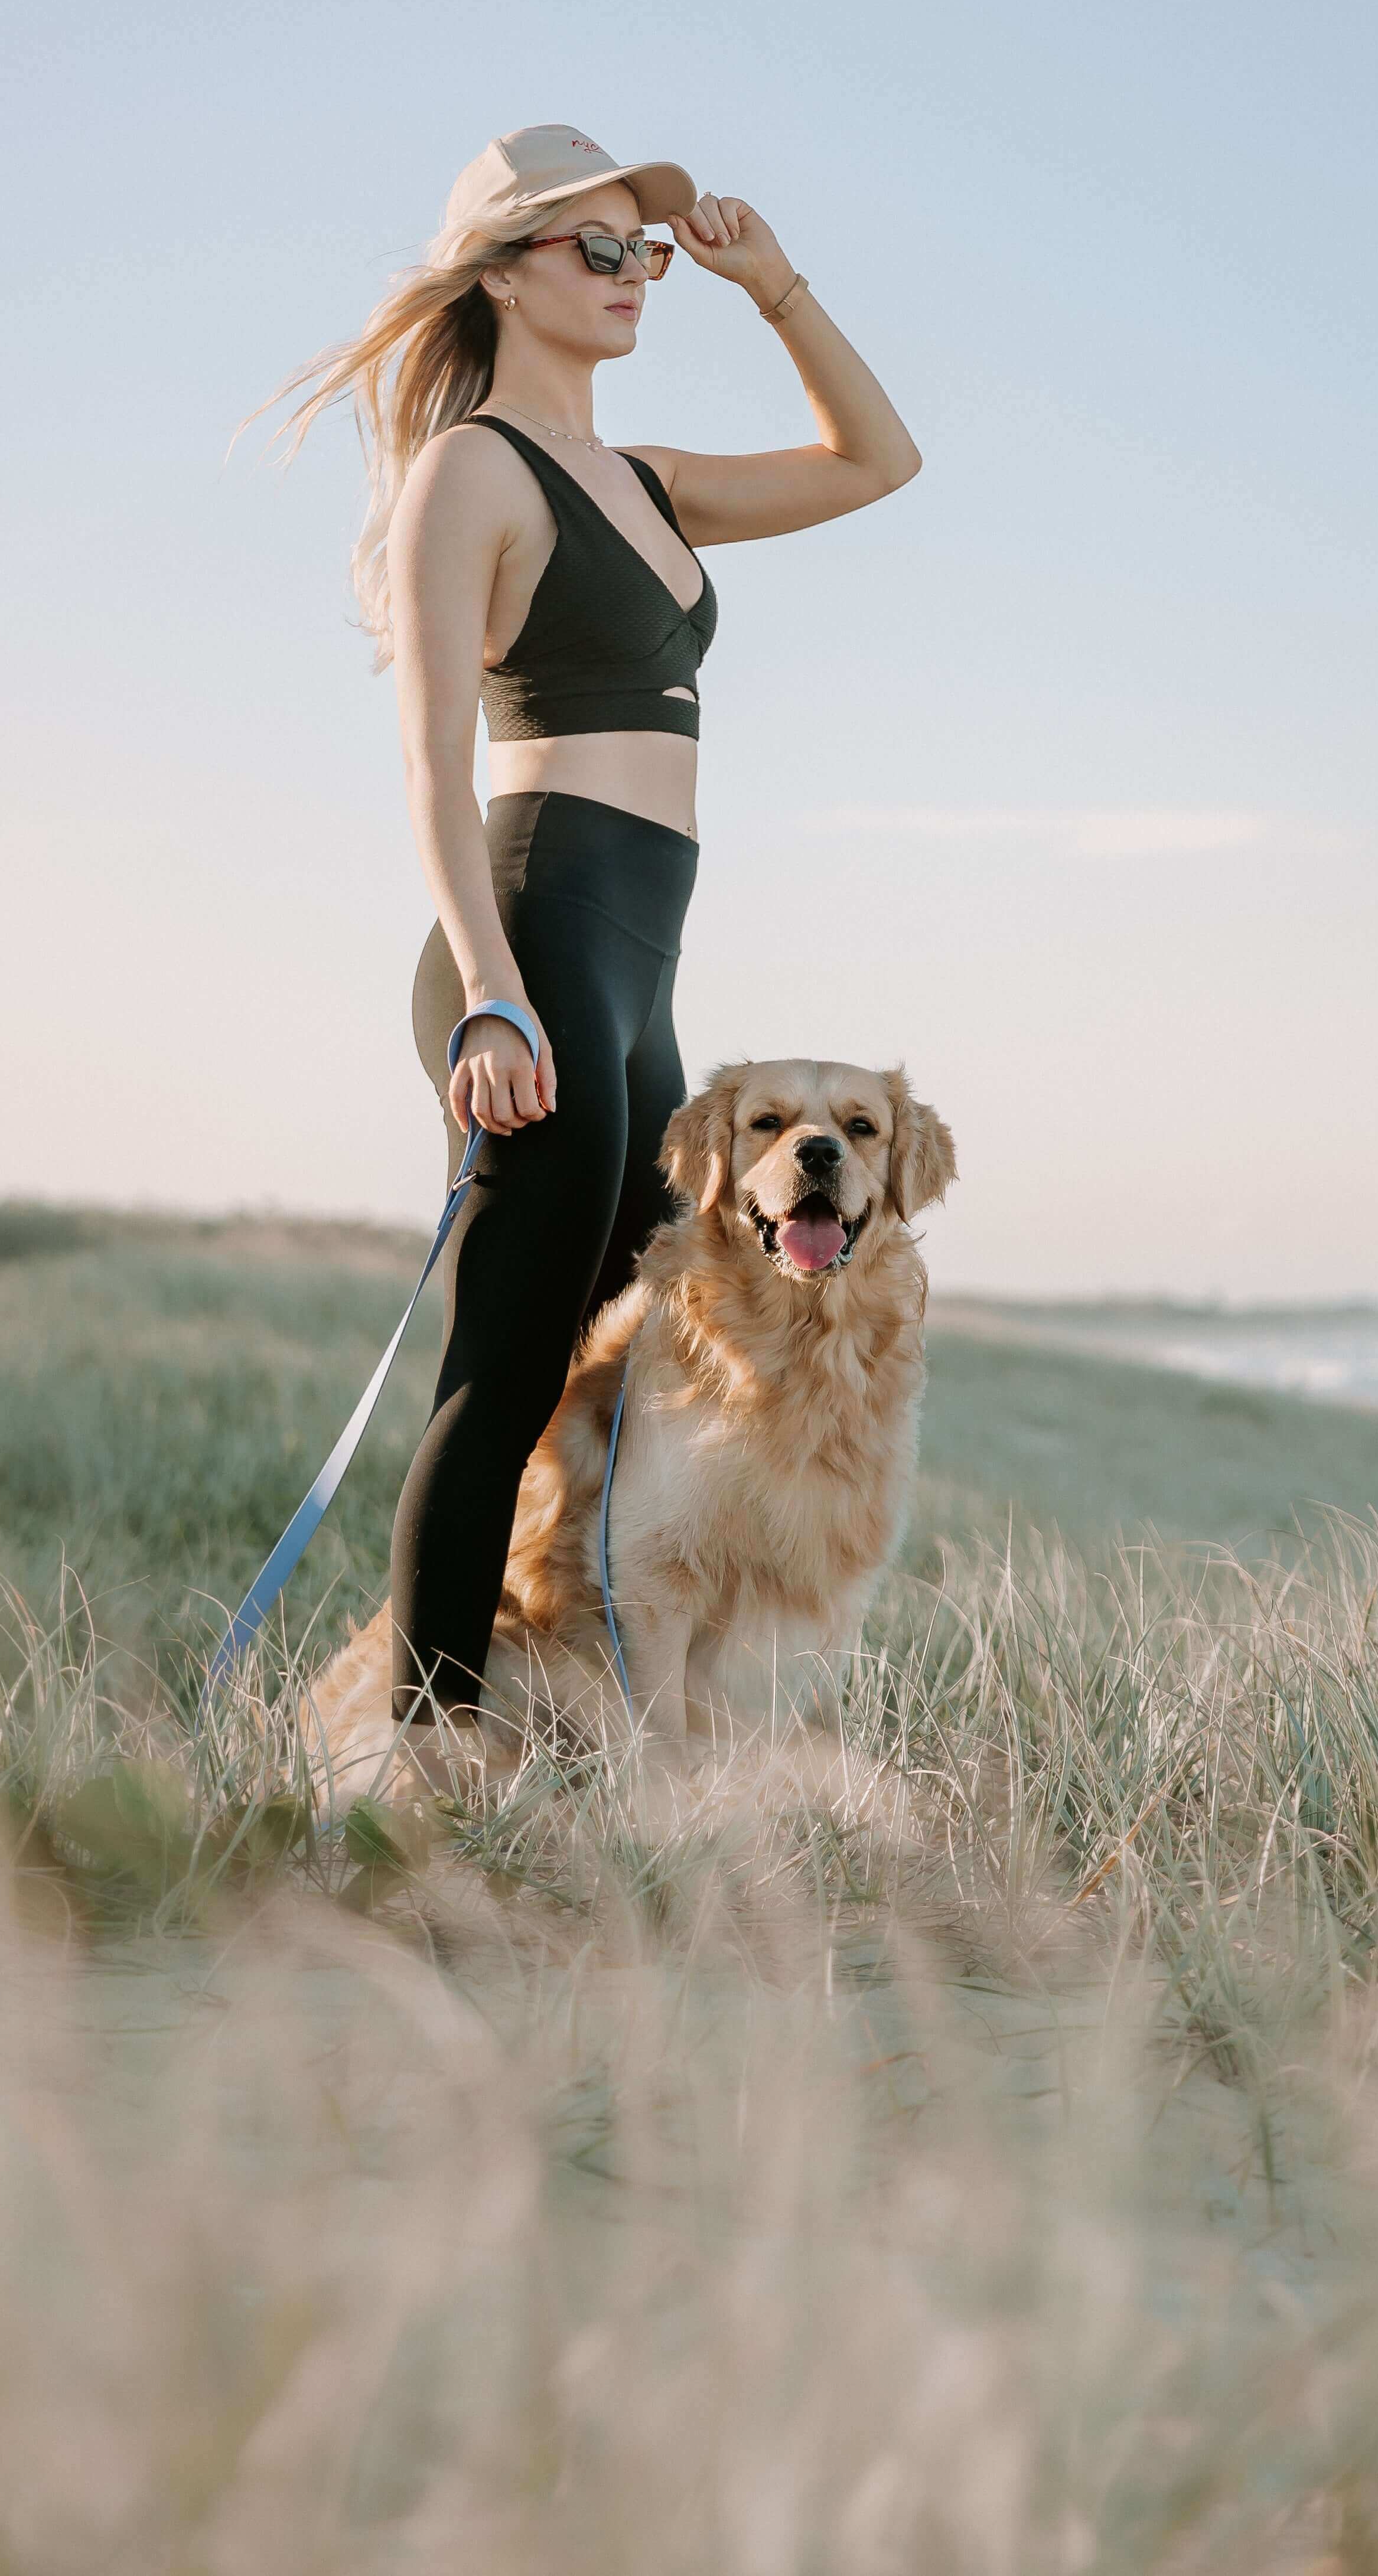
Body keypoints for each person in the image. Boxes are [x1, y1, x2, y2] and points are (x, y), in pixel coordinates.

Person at [285, 125, 918, 1750]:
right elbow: (432, 757)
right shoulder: (471, 470)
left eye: (644, 252)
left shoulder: (642, 484)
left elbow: (876, 465)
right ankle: (417, 1763)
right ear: (497, 273)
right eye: (596, 249)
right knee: (500, 1376)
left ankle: (550, 1718)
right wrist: (490, 997)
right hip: (532, 931)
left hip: (638, 961)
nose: (638, 274)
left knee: (589, 1372)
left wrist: (770, 286)